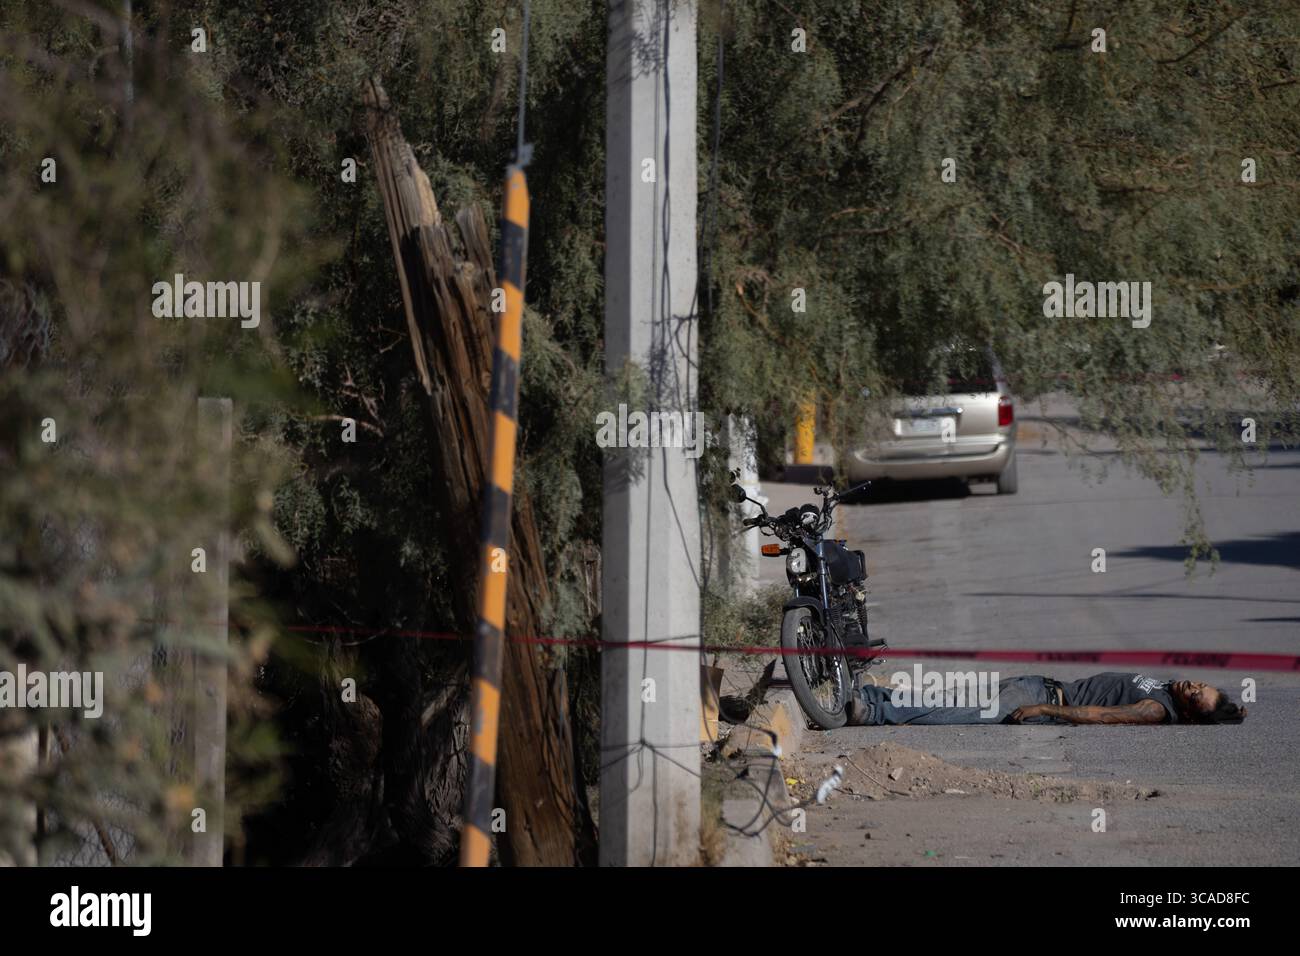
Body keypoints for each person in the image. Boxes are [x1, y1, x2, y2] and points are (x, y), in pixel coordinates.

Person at [848, 672, 1247, 726]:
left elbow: (1101, 715)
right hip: (1037, 684)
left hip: (1039, 698)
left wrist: (1043, 709)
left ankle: (871, 710)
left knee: (953, 710)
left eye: (1197, 697)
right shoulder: (1165, 687)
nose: (1192, 687)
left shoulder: (1156, 709)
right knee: (949, 696)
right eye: (1200, 685)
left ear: (1190, 715)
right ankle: (871, 695)